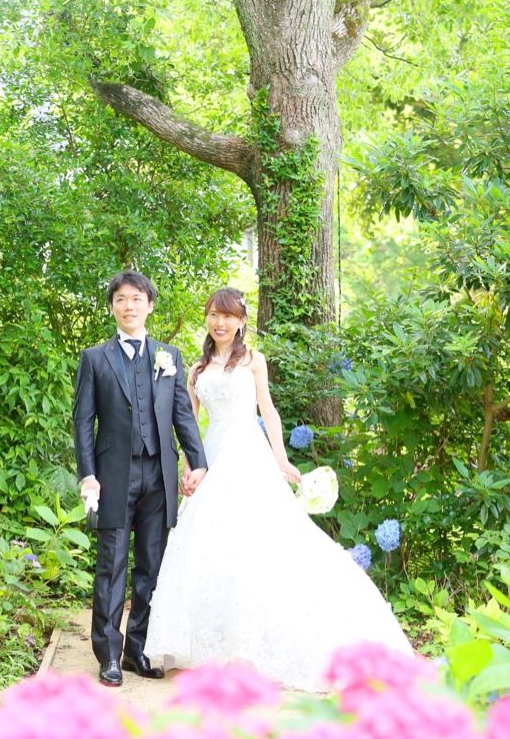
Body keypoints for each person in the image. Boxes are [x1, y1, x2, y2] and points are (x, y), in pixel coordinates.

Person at [145, 287, 412, 692]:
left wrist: (282, 459)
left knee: (257, 545)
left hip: (249, 456)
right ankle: (205, 647)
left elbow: (268, 411)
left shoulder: (254, 361)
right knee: (206, 546)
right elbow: (189, 424)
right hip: (212, 457)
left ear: (241, 321)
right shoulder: (197, 370)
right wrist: (190, 466)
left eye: (228, 316)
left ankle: (249, 647)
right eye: (214, 315)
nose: (220, 323)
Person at [72, 271, 209, 687]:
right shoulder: (95, 358)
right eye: (120, 299)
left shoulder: (169, 356)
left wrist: (197, 461)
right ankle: (108, 655)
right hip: (113, 475)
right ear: (112, 307)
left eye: (136, 298)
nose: (128, 305)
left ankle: (138, 650)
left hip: (159, 474)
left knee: (152, 566)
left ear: (149, 305)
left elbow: (182, 413)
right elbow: (83, 422)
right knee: (111, 566)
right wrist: (88, 474)